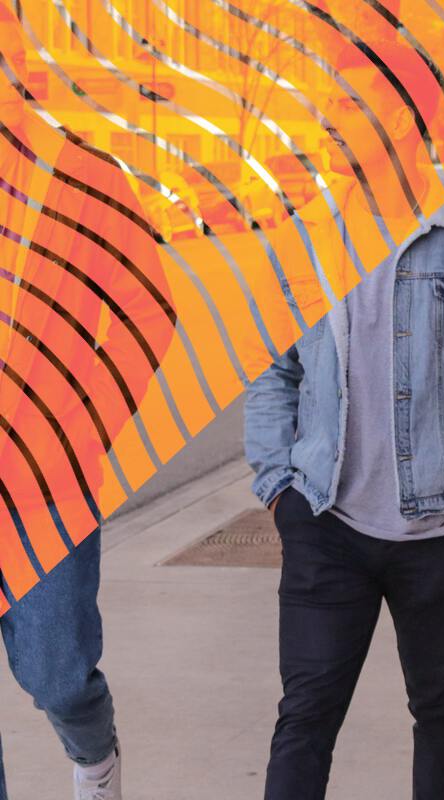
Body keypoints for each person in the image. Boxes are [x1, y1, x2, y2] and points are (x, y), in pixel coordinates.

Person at [243, 42, 444, 800]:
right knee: (305, 715)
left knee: (439, 707)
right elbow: (269, 370)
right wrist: (280, 487)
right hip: (325, 520)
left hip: (443, 531)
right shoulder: (305, 238)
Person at [0, 8, 178, 799]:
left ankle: (95, 755)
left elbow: (150, 309)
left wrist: (84, 422)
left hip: (46, 489)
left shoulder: (82, 176)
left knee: (58, 672)